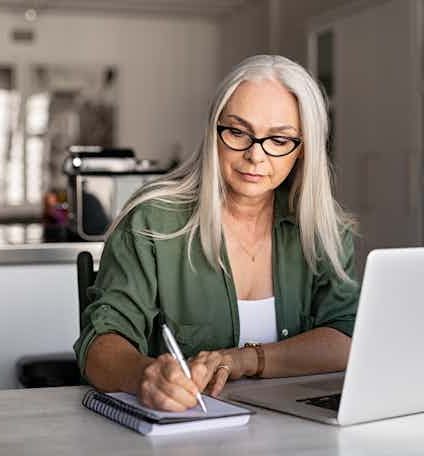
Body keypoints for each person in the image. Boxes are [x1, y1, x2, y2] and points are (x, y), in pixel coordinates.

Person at [74, 55, 360, 412]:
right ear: (214, 131)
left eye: (279, 139)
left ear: (303, 150)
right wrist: (143, 375)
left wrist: (245, 359)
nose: (255, 156)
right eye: (238, 132)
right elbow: (100, 343)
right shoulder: (151, 221)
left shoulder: (323, 229)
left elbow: (347, 338)